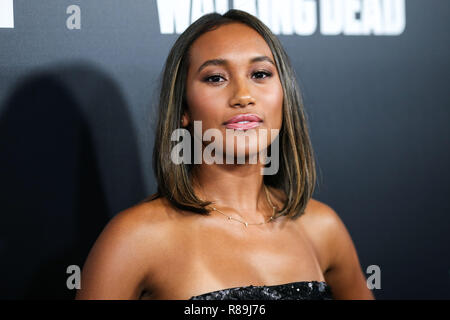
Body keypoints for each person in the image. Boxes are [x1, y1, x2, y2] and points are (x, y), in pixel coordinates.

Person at [75, 9, 374, 300]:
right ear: (184, 109)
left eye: (260, 74)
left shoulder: (322, 227)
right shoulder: (135, 238)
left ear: (285, 96)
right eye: (216, 78)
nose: (243, 95)